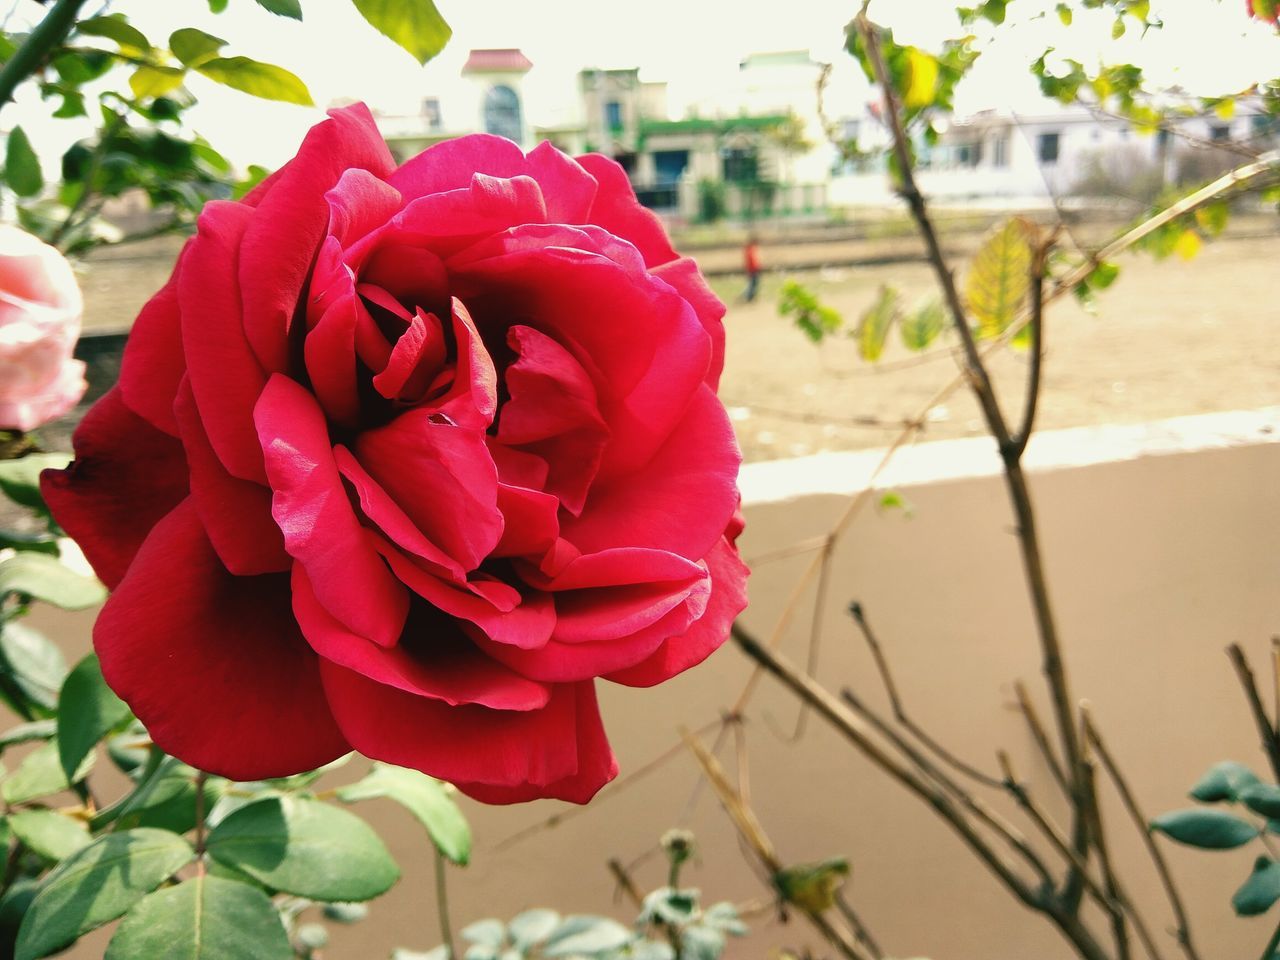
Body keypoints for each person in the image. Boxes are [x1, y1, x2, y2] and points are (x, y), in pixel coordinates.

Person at [743, 233, 761, 303]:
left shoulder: (751, 248)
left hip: (753, 269)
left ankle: (751, 297)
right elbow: (752, 260)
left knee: (753, 284)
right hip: (753, 269)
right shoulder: (750, 249)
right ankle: (749, 298)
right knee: (752, 284)